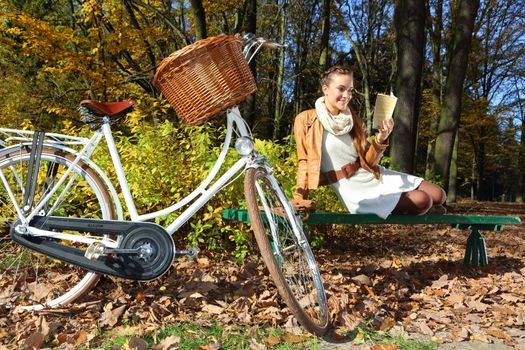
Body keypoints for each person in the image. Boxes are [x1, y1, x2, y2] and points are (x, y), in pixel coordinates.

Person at [292, 65, 446, 218]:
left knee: (439, 194)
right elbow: (304, 162)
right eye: (341, 89)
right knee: (423, 200)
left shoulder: (352, 120)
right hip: (354, 189)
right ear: (325, 89)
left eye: (350, 90)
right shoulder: (307, 120)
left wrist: (381, 139)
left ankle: (422, 207)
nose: (346, 95)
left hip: (372, 174)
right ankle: (422, 207)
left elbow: (368, 161)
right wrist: (299, 196)